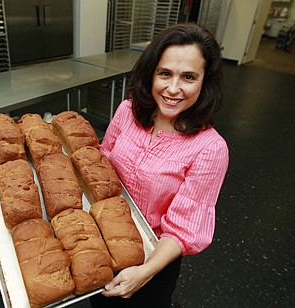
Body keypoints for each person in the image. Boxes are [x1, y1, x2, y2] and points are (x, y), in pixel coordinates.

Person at [90, 22, 229, 307]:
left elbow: (183, 229)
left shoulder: (210, 148)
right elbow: (102, 161)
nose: (173, 89)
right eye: (165, 73)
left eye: (188, 77)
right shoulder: (127, 111)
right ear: (151, 73)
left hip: (152, 260)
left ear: (205, 83)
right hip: (101, 239)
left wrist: (144, 273)